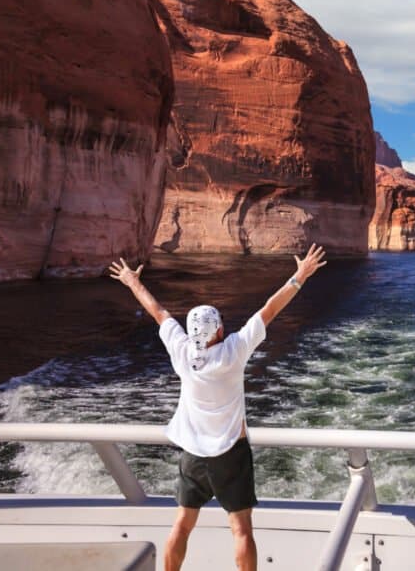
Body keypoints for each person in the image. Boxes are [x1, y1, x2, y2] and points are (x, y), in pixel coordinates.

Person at [108, 244, 327, 571]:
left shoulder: (181, 352)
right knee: (241, 530)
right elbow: (270, 309)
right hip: (231, 453)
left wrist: (131, 281)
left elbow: (157, 311)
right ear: (220, 331)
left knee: (182, 525)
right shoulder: (234, 351)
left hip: (193, 455)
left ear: (193, 332)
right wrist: (300, 275)